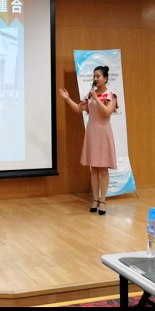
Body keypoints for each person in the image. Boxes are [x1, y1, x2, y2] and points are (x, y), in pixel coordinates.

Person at [58, 65, 118, 216]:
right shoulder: (90, 95)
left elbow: (107, 113)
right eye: (94, 76)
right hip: (92, 132)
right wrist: (67, 98)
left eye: (98, 76)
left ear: (105, 78)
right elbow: (79, 109)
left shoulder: (110, 95)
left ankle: (103, 201)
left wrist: (97, 98)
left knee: (102, 168)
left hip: (103, 133)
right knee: (94, 168)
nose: (96, 79)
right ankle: (95, 199)